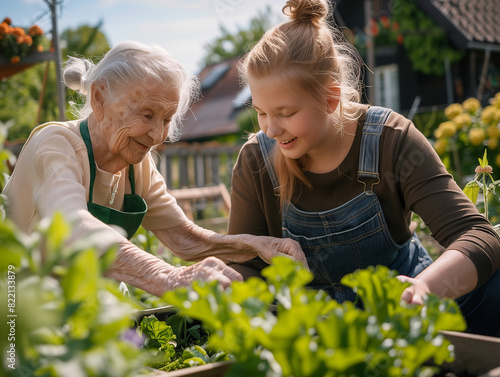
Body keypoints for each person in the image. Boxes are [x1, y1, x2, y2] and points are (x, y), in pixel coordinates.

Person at [227, 0, 500, 336]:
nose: (270, 129)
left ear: (331, 98)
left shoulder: (391, 139)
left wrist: (425, 289)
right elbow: (245, 264)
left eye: (285, 113)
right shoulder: (256, 159)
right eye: (262, 112)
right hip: (312, 331)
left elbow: (477, 236)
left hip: (403, 318)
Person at [2, 41, 307, 297]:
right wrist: (167, 276)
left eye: (166, 119)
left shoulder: (138, 165)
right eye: (147, 114)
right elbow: (72, 227)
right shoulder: (56, 144)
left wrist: (257, 245)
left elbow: (184, 238)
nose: (157, 135)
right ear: (99, 98)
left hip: (87, 316)